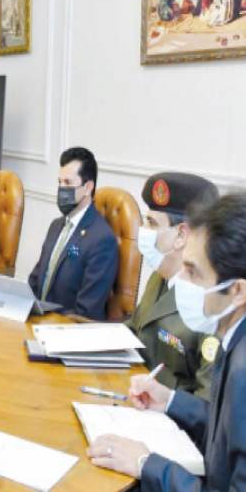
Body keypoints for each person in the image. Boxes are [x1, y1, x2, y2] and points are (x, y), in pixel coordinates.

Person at [87, 193, 246, 490]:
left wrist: (147, 464)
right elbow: (226, 430)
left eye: (193, 272)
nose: (180, 280)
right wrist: (170, 401)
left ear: (237, 291)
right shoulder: (235, 335)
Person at [127, 172, 219, 400]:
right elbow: (136, 329)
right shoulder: (160, 275)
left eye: (152, 224)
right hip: (136, 394)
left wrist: (167, 402)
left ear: (181, 235)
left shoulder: (210, 300)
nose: (143, 231)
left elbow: (207, 402)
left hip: (168, 415)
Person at [27, 147, 118, 320]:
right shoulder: (56, 226)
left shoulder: (101, 240)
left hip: (65, 328)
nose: (62, 189)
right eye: (59, 182)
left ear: (88, 188)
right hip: (35, 319)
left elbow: (86, 311)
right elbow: (35, 280)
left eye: (68, 183)